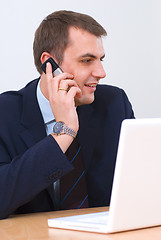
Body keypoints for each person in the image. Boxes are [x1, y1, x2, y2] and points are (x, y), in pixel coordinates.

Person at [0, 10, 134, 219]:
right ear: (49, 64)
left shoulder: (114, 104)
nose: (101, 72)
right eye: (87, 60)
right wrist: (64, 131)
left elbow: (140, 183)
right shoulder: (4, 113)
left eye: (101, 59)